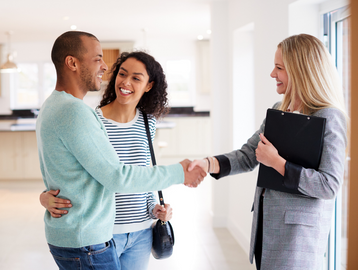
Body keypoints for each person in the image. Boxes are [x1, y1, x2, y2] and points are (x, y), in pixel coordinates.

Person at [36, 31, 206, 270]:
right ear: (72, 63)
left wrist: (153, 207)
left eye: (136, 78)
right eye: (97, 59)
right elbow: (116, 177)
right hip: (92, 237)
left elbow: (69, 169)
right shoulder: (80, 113)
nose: (105, 67)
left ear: (149, 86)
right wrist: (179, 172)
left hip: (115, 232)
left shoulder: (57, 106)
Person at [189, 34, 347, 270]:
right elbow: (248, 155)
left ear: (300, 70)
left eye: (279, 68)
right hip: (266, 228)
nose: (272, 74)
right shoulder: (279, 109)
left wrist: (278, 163)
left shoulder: (329, 118)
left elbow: (329, 185)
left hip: (298, 238)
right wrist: (208, 163)